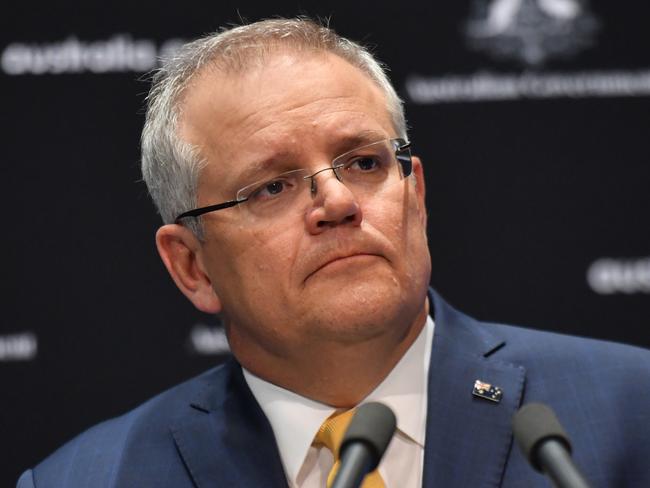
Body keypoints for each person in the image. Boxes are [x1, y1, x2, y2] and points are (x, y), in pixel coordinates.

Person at [18, 17, 650, 488]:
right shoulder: (88, 478)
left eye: (367, 162)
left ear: (416, 196)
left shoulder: (628, 412)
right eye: (272, 186)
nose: (339, 201)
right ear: (193, 265)